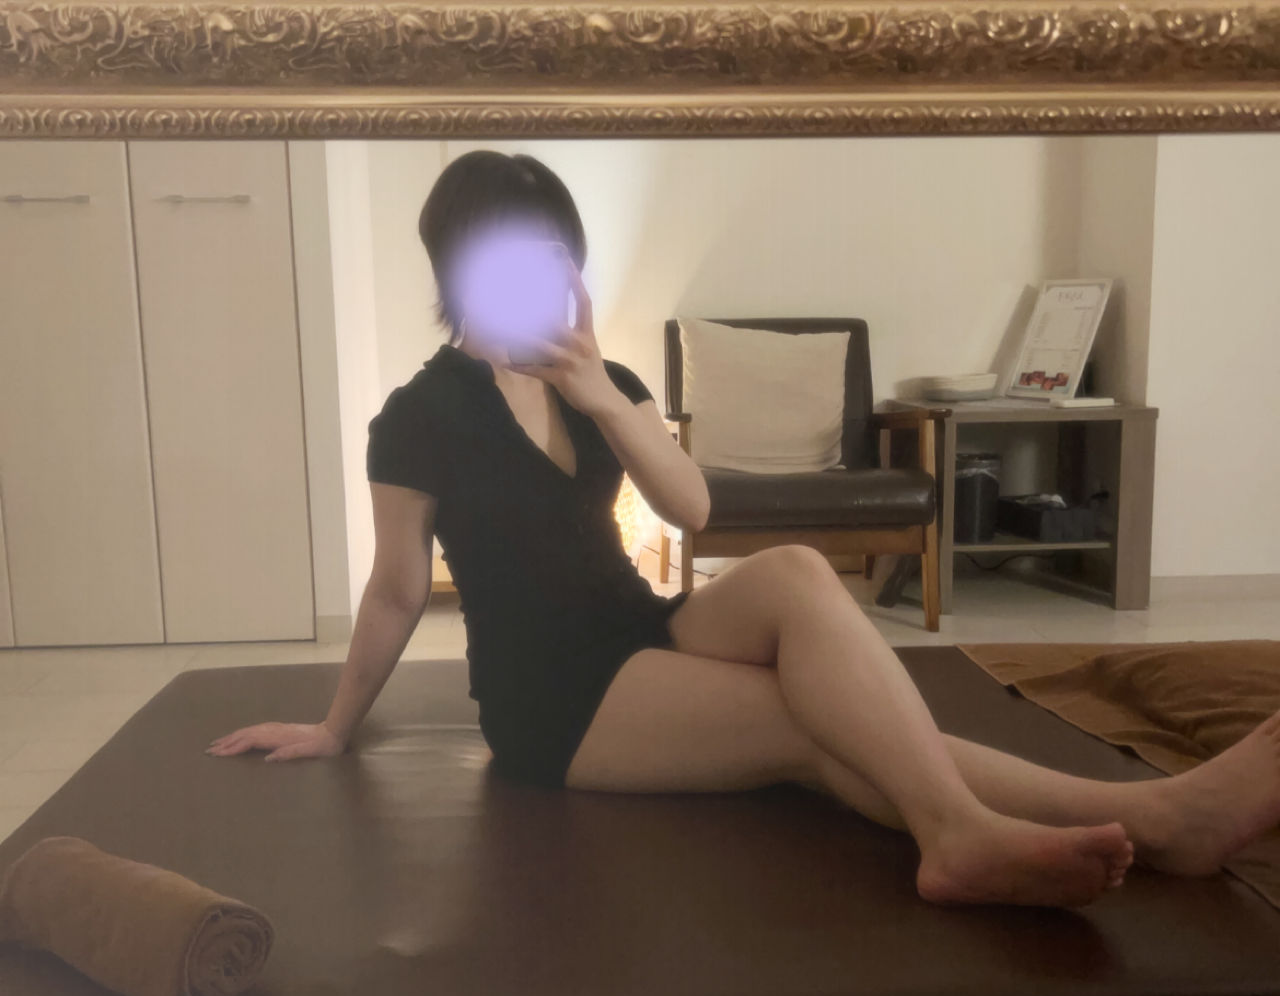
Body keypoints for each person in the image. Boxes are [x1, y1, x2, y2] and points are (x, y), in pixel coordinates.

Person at [209, 150, 1280, 909]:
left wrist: (599, 393)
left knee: (799, 571)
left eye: (552, 253)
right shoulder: (416, 416)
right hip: (552, 698)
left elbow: (693, 508)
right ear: (455, 269)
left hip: (640, 628)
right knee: (808, 723)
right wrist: (335, 724)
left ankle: (1079, 820)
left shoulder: (602, 382)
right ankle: (1080, 824)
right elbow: (398, 587)